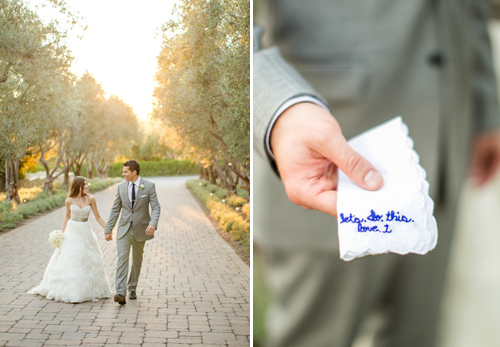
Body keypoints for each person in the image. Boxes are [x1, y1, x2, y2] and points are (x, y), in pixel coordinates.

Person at [253, 1, 500, 346]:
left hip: (444, 148)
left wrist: (485, 104)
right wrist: (277, 106)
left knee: (416, 337)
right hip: (329, 160)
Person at [28, 177, 111, 303]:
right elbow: (67, 217)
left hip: (86, 231)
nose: (86, 187)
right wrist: (61, 235)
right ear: (77, 186)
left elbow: (98, 217)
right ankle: (73, 291)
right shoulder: (69, 201)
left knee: (88, 259)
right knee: (73, 258)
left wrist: (107, 229)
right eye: (84, 185)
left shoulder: (91, 199)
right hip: (72, 232)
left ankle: (90, 288)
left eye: (87, 185)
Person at [105, 160, 160, 305]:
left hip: (141, 230)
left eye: (125, 172)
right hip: (124, 230)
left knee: (137, 261)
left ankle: (132, 287)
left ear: (134, 172)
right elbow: (115, 209)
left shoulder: (149, 186)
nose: (123, 174)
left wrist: (153, 224)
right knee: (122, 259)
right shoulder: (121, 187)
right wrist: (108, 229)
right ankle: (120, 293)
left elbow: (156, 207)